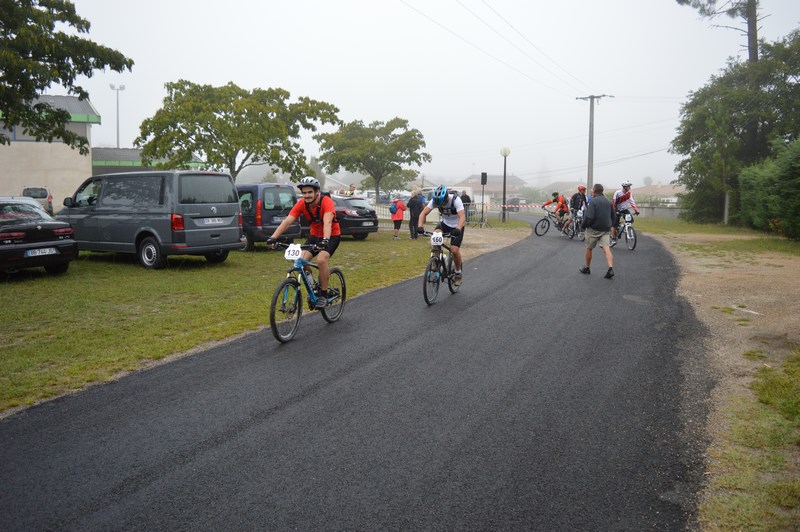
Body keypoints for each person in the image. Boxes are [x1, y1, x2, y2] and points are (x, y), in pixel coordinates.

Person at [268, 176, 341, 309]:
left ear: (317, 192)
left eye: (310, 192)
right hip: (314, 236)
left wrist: (325, 240)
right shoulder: (301, 204)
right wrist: (273, 237)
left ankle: (323, 295)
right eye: (304, 193)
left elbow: (328, 221)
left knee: (321, 260)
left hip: (331, 235)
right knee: (300, 259)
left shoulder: (326, 202)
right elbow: (288, 221)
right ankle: (314, 286)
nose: (307, 196)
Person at [417, 184, 466, 285]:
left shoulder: (456, 200)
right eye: (439, 204)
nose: (441, 205)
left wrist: (458, 229)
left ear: (447, 197)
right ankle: (437, 259)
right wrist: (420, 226)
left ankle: (458, 274)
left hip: (457, 226)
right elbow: (423, 213)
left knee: (454, 250)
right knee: (435, 236)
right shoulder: (435, 200)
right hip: (444, 224)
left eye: (443, 203)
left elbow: (462, 217)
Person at [579, 183, 614, 279]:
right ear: (602, 191)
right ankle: (610, 268)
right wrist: (610, 225)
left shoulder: (593, 202)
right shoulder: (608, 201)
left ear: (594, 191)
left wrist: (583, 226)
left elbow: (589, 217)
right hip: (606, 229)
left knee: (589, 248)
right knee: (606, 248)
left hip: (594, 229)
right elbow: (613, 216)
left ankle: (587, 268)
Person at [611, 180, 639, 245]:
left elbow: (632, 202)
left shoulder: (629, 194)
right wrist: (614, 210)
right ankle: (613, 238)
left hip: (624, 210)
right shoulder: (618, 193)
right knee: (614, 225)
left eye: (630, 186)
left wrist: (636, 210)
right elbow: (613, 202)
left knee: (631, 220)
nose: (630, 188)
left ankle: (624, 227)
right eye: (628, 186)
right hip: (616, 209)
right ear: (624, 187)